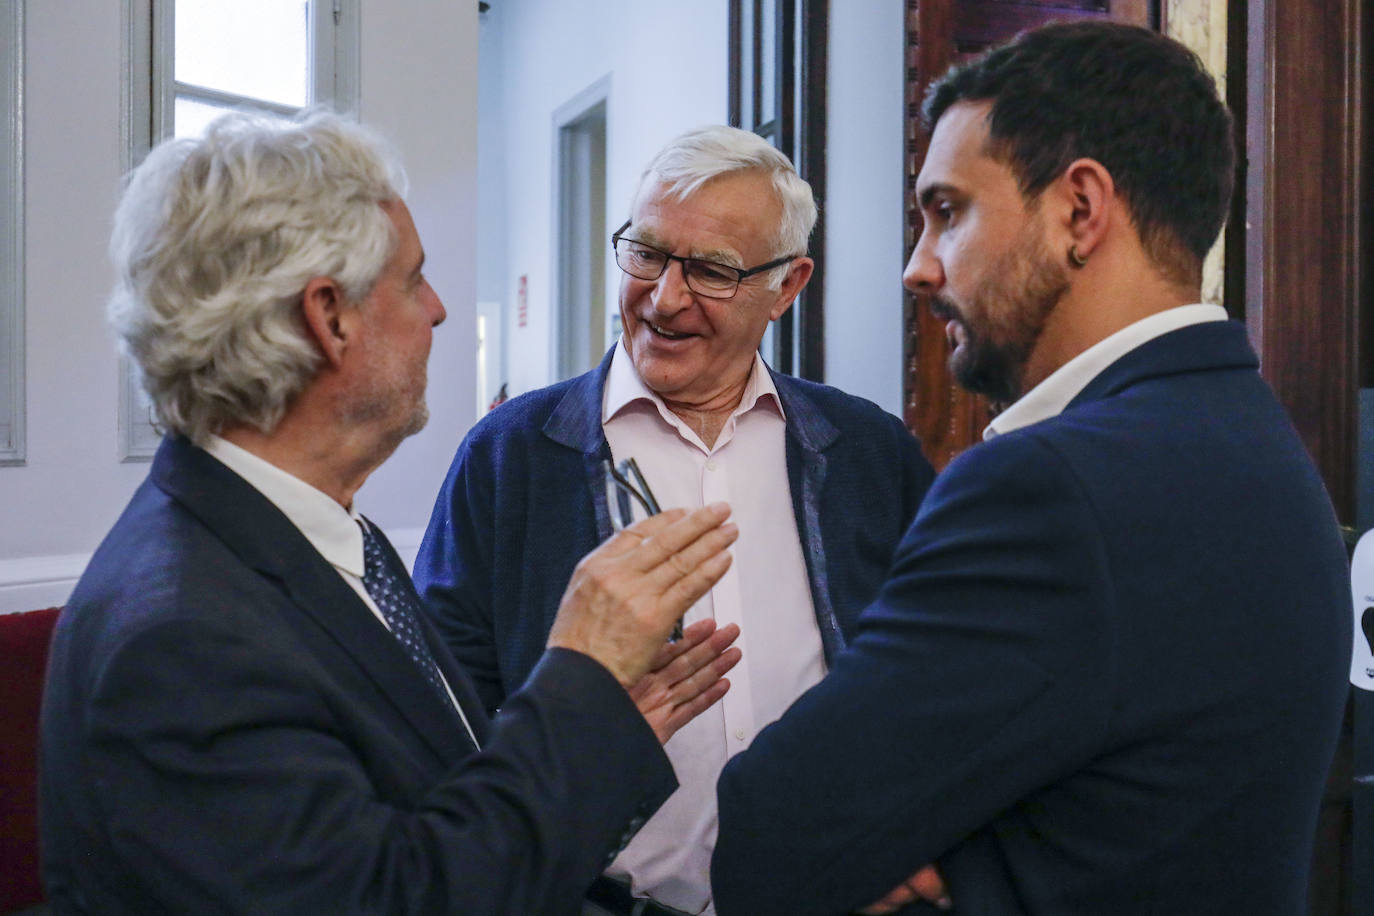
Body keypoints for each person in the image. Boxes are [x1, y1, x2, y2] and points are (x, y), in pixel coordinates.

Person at [712, 21, 1352, 915]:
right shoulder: (1257, 442)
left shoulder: (1050, 487)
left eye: (947, 211)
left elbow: (772, 838)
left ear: (1079, 210)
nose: (918, 268)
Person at [39, 109, 744, 916]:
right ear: (329, 317)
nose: (439, 309)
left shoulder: (329, 539)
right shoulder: (183, 640)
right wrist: (579, 676)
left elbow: (439, 807)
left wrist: (605, 727)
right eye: (413, 278)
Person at [414, 125, 935, 915]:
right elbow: (438, 711)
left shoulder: (868, 453)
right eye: (648, 253)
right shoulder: (510, 458)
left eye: (712, 271)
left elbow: (930, 679)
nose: (664, 298)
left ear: (787, 287)